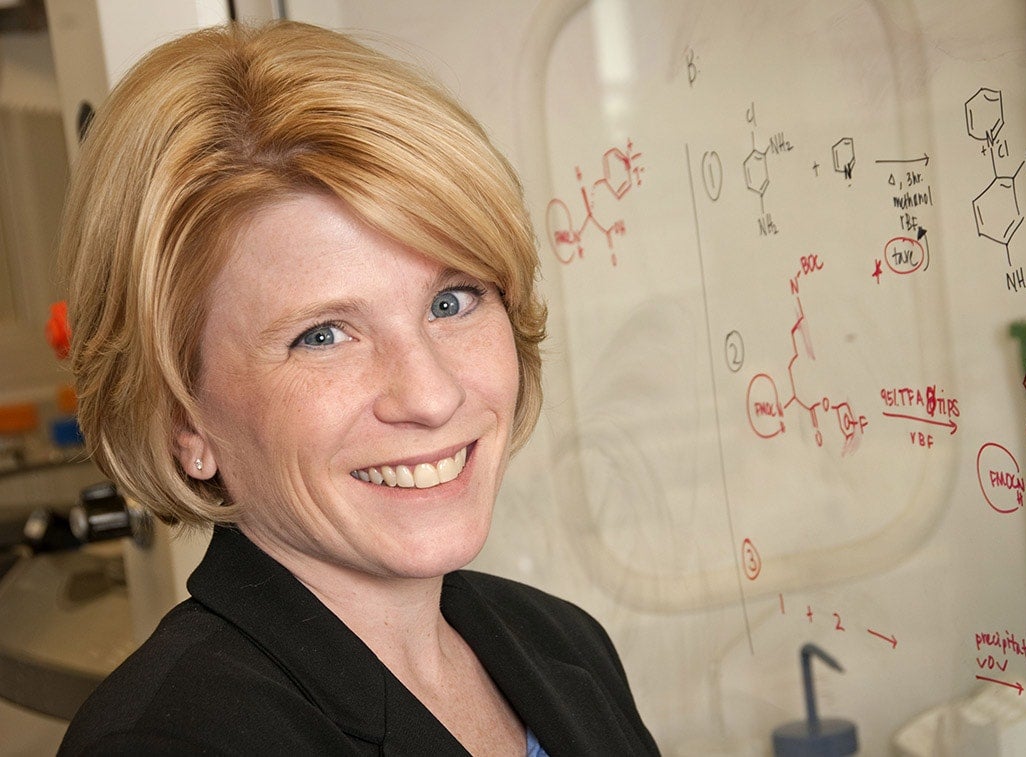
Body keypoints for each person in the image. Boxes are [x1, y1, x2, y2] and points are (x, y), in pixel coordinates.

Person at [58, 20, 659, 756]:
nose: (431, 397)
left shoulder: (563, 644)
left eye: (452, 301)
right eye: (323, 336)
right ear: (183, 419)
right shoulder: (168, 743)